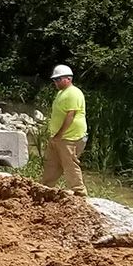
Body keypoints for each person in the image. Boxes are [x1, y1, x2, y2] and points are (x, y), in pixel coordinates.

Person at [41, 63, 88, 195]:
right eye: (54, 80)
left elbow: (70, 115)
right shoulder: (62, 93)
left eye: (58, 79)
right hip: (59, 137)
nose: (55, 82)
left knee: (70, 165)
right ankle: (45, 188)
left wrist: (60, 134)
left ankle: (79, 192)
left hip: (70, 137)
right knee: (52, 163)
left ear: (68, 79)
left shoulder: (73, 93)